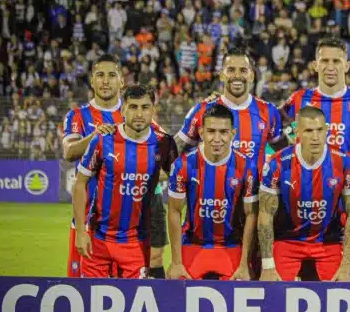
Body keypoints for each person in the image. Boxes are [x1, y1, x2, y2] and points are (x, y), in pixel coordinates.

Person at [281, 37, 350, 281]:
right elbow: (270, 126)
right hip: (304, 208)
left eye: (336, 61)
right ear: (315, 65)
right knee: (305, 281)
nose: (330, 66)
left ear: (347, 65)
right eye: (324, 60)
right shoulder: (298, 100)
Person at [72, 85, 178, 278]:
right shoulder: (103, 140)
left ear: (153, 110)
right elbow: (80, 183)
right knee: (91, 304)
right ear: (122, 110)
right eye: (133, 107)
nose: (139, 113)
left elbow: (178, 179)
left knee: (134, 304)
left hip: (136, 243)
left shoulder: (164, 143)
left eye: (145, 107)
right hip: (98, 239)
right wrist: (80, 231)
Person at [257, 105, 350, 282]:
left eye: (320, 130)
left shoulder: (346, 163)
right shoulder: (277, 164)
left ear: (327, 130)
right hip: (288, 241)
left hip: (328, 242)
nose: (315, 137)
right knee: (273, 294)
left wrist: (346, 265)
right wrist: (268, 266)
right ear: (297, 131)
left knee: (341, 294)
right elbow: (265, 215)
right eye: (308, 131)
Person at [167, 105, 258, 280]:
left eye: (223, 132)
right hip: (194, 244)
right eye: (211, 131)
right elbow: (174, 210)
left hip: (230, 246)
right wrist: (176, 262)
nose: (217, 139)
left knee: (238, 301)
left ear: (233, 133)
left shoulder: (247, 166)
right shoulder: (183, 164)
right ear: (201, 132)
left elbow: (250, 215)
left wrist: (244, 263)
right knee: (178, 296)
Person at [62, 54, 123, 278]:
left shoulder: (135, 114)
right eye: (100, 75)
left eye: (111, 75)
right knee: (81, 296)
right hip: (86, 222)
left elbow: (164, 150)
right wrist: (95, 136)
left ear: (121, 81)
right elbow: (69, 151)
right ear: (92, 81)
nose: (105, 81)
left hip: (126, 229)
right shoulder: (77, 115)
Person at [175, 47, 286, 168]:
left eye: (243, 70)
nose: (237, 75)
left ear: (251, 76)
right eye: (231, 70)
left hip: (254, 186)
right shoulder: (202, 110)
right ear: (222, 75)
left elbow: (288, 154)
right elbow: (172, 152)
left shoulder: (268, 111)